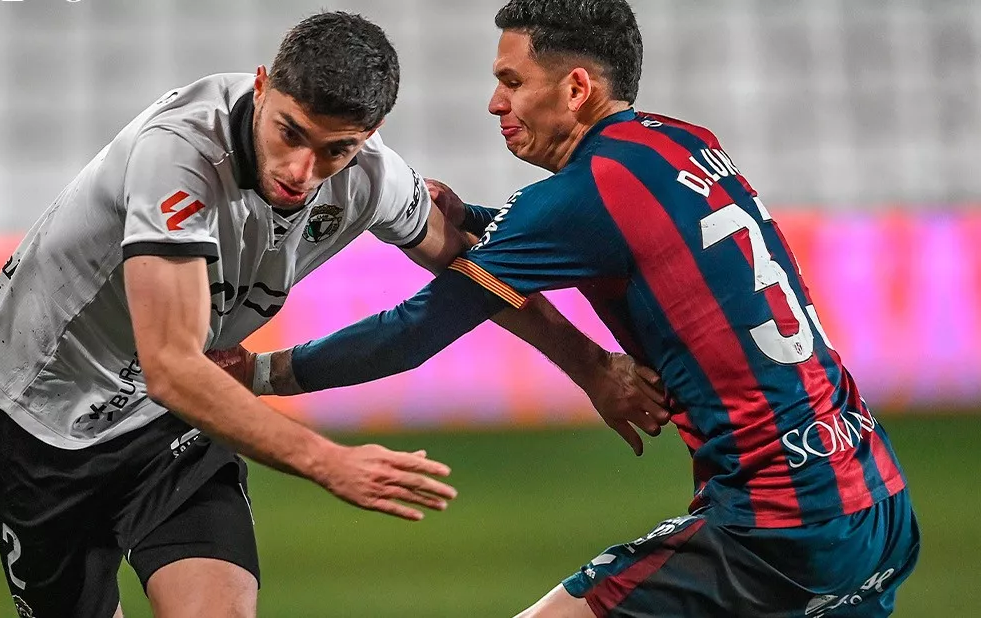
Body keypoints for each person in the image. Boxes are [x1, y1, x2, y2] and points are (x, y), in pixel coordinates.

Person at [0, 11, 667, 618]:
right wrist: (329, 462)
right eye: (290, 133)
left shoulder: (370, 176)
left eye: (336, 149)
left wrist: (591, 366)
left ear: (371, 133)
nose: (302, 171)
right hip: (45, 422)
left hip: (176, 422)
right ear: (263, 86)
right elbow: (170, 365)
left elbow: (474, 268)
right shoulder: (179, 156)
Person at [226, 2, 920, 616]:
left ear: (577, 88)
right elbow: (615, 236)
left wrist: (263, 375)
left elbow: (413, 331)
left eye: (511, 82)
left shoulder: (582, 193)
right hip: (877, 499)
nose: (496, 104)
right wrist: (470, 214)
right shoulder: (684, 142)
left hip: (779, 523)